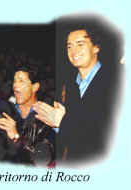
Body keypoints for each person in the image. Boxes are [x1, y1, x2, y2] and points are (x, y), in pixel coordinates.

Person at [33, 27, 120, 164]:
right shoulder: (68, 86)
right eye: (69, 46)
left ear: (96, 47)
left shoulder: (116, 81)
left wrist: (61, 123)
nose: (73, 51)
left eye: (80, 44)